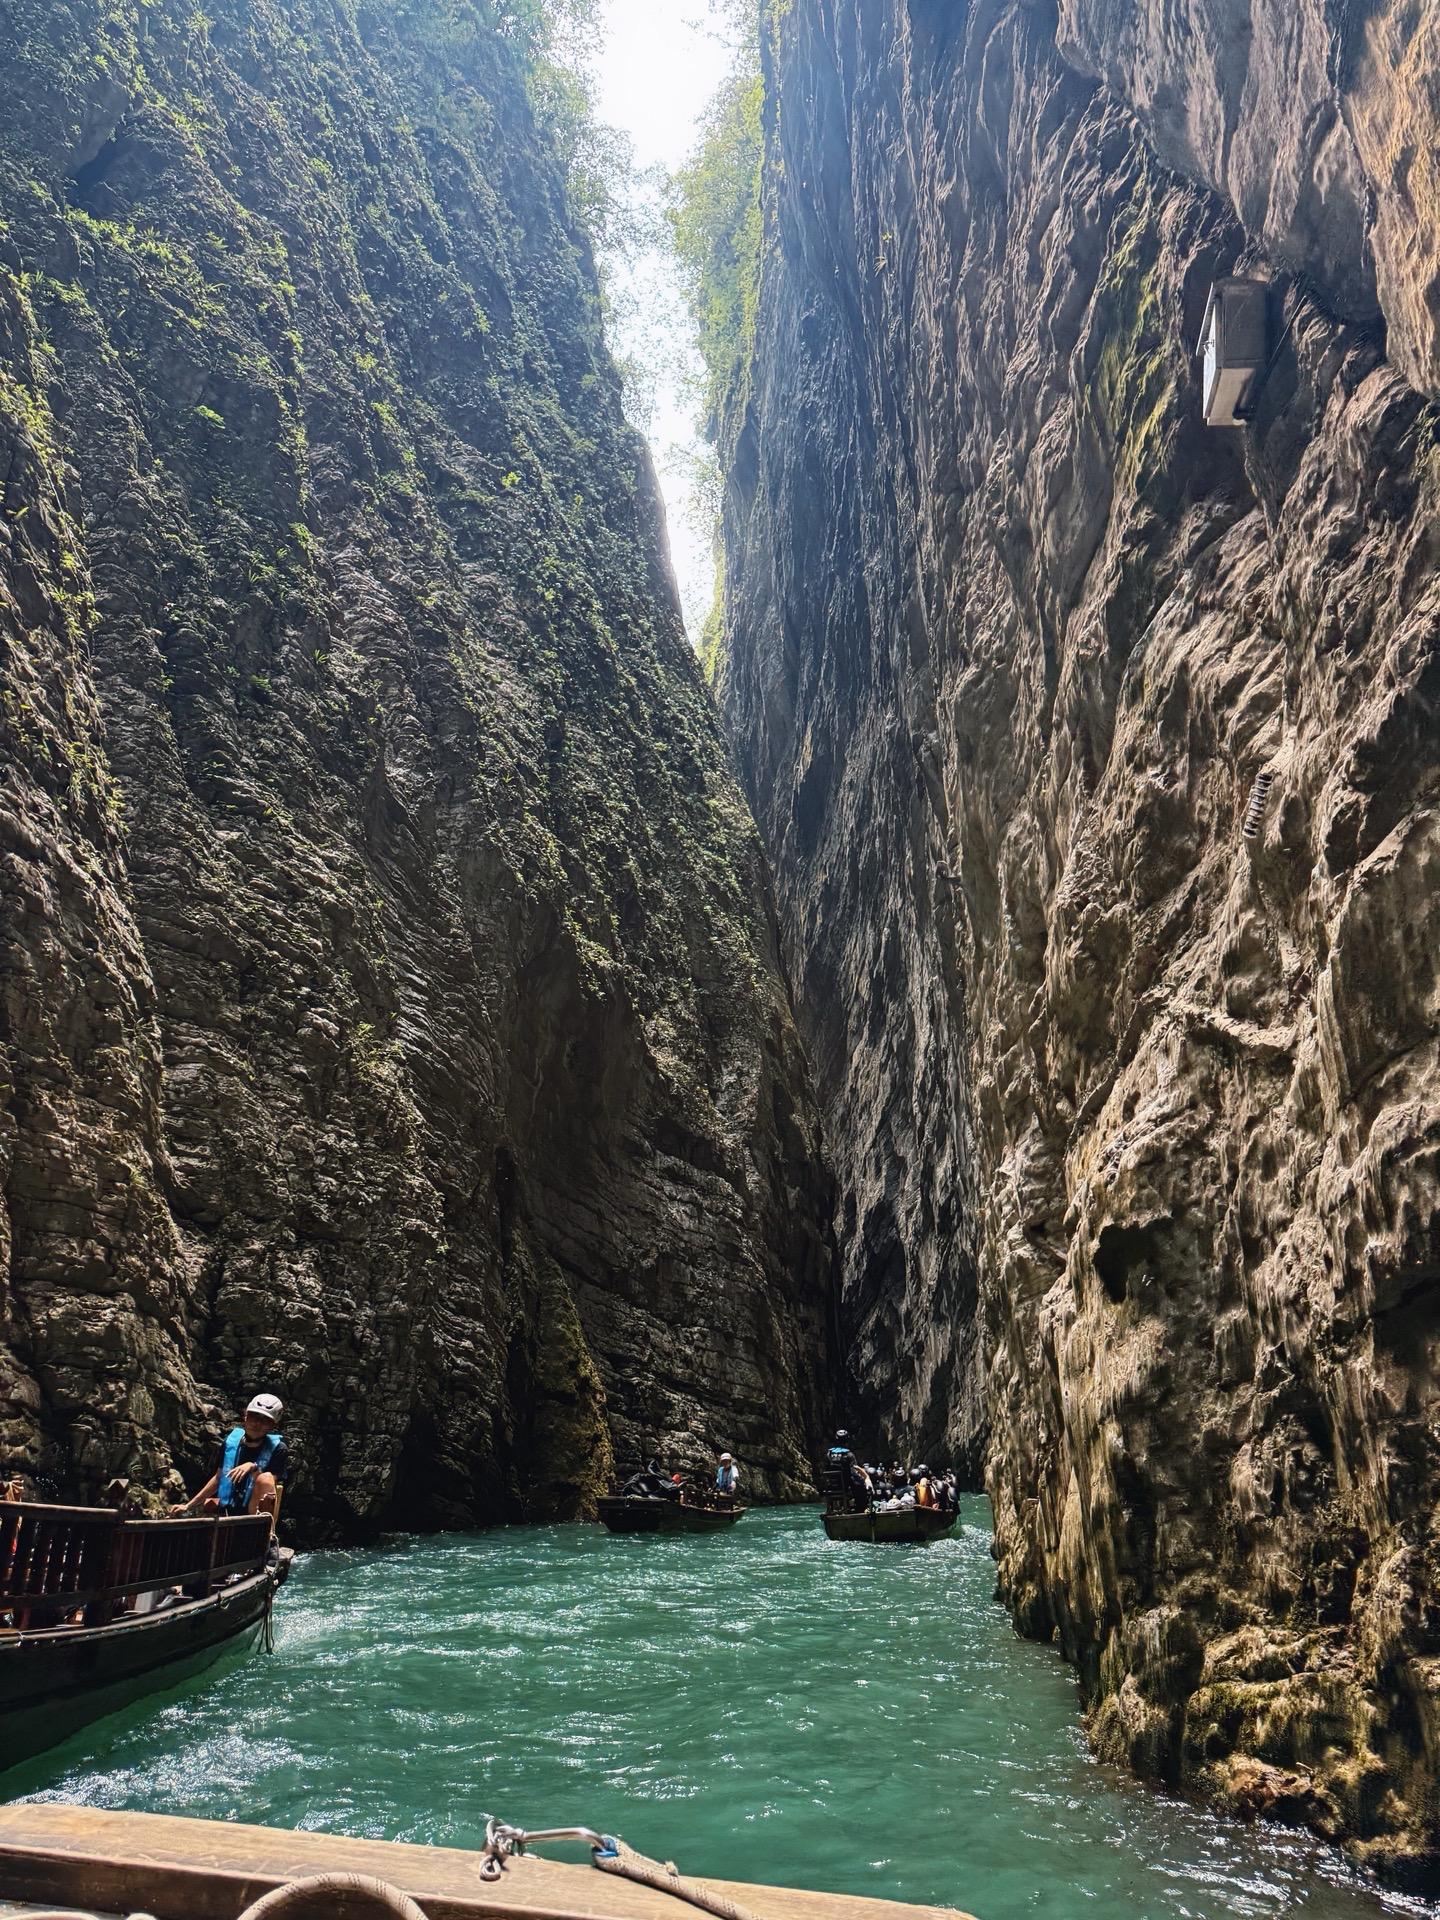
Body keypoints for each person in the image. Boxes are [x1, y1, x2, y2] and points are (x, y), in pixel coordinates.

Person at [171, 1393, 287, 1522]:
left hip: (252, 1512)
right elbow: (219, 1477)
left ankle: (264, 1530)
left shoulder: (278, 1448)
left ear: (272, 1426)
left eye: (265, 1420)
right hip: (226, 1511)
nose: (257, 1424)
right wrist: (188, 1506)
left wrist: (252, 1467)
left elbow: (269, 1483)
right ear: (246, 1416)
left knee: (266, 1477)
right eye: (253, 1417)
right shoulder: (231, 1442)